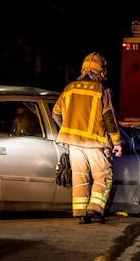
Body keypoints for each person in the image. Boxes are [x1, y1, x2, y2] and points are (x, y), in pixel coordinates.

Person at [52, 52, 122, 224]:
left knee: (80, 177)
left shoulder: (69, 88)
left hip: (74, 144)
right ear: (101, 71)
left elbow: (56, 114)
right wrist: (117, 143)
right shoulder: (102, 90)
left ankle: (81, 214)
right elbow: (109, 118)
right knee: (103, 176)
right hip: (96, 142)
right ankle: (95, 210)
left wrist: (68, 129)